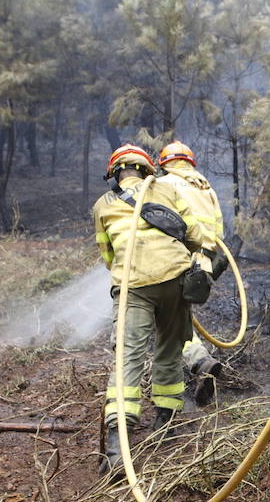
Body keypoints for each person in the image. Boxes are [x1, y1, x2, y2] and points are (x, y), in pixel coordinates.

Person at [91, 144, 216, 476]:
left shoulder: (102, 205)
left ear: (115, 172)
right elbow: (194, 234)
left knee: (128, 360)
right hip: (174, 280)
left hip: (133, 287)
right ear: (147, 169)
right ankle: (167, 425)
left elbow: (107, 257)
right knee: (169, 351)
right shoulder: (165, 187)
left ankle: (118, 450)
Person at [155, 140, 228, 407]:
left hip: (175, 259)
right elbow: (218, 232)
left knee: (168, 319)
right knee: (178, 315)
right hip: (203, 263)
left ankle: (198, 361)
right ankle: (198, 363)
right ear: (189, 162)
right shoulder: (205, 186)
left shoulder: (163, 184)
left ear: (164, 163)